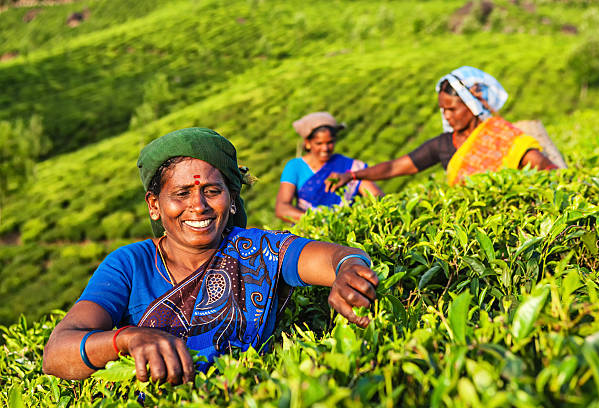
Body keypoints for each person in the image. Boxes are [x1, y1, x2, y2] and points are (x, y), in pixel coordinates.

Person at [42, 128, 379, 385]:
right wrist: (127, 339)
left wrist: (348, 271)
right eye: (181, 193)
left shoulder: (259, 249)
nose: (198, 206)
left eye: (212, 191)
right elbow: (58, 352)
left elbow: (337, 257)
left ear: (232, 199)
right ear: (154, 205)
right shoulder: (129, 264)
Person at [325, 66, 557, 192]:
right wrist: (352, 175)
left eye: (452, 109)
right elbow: (396, 166)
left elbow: (540, 164)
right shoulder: (443, 144)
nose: (446, 115)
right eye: (442, 109)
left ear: (472, 105)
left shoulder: (501, 136)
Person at [276, 112, 382, 223]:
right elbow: (282, 208)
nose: (325, 148)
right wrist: (320, 221)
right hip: (309, 234)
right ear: (307, 143)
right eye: (319, 143)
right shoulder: (295, 167)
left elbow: (377, 198)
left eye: (330, 142)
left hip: (345, 229)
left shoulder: (351, 167)